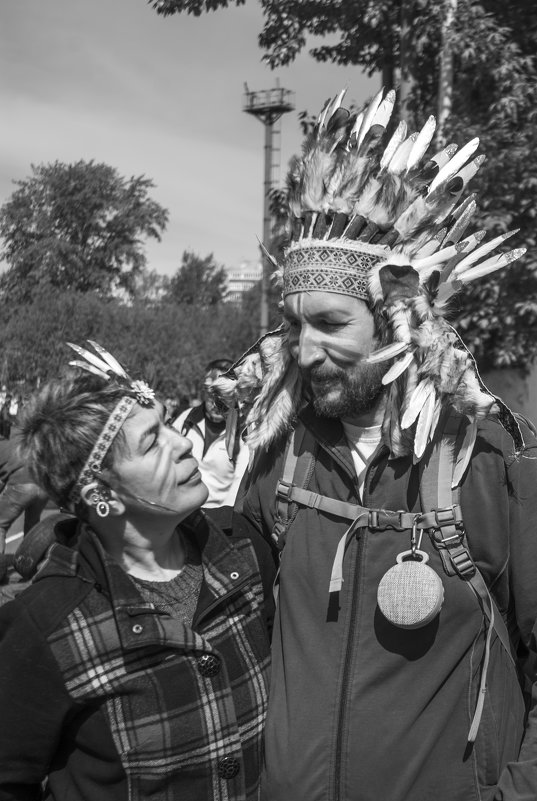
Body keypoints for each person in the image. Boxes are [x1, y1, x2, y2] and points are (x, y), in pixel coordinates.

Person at [218, 88, 537, 801]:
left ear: (398, 318)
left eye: (331, 323)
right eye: (296, 325)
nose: (303, 350)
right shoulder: (280, 456)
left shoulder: (490, 459)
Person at [0, 341, 274, 801]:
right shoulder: (46, 625)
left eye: (168, 425)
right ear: (100, 494)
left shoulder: (245, 552)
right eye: (152, 442)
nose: (183, 443)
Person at [173, 359, 249, 510]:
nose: (216, 403)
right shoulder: (185, 419)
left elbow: (238, 485)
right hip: (180, 511)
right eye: (211, 394)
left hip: (217, 518)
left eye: (224, 395)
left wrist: (221, 521)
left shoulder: (244, 431)